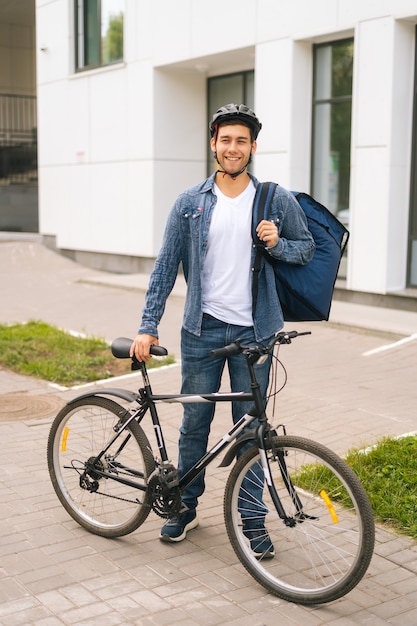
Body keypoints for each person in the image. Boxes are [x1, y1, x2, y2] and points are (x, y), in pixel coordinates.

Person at [130, 103, 315, 556]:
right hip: (203, 329)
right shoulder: (190, 202)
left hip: (256, 332)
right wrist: (147, 326)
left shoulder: (275, 199)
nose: (233, 148)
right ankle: (183, 507)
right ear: (214, 143)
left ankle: (251, 522)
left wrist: (279, 243)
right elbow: (165, 266)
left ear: (253, 147)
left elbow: (306, 249)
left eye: (242, 141)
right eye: (225, 139)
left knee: (251, 431)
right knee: (195, 424)